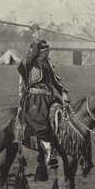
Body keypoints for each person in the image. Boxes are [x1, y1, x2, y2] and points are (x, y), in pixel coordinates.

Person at [17, 39, 70, 169]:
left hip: (49, 97)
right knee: (41, 121)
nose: (48, 53)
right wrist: (36, 41)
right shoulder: (29, 62)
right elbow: (23, 65)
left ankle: (60, 144)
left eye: (48, 51)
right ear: (38, 51)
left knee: (62, 115)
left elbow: (56, 81)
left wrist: (63, 92)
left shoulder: (48, 63)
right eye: (45, 51)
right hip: (34, 99)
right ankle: (48, 153)